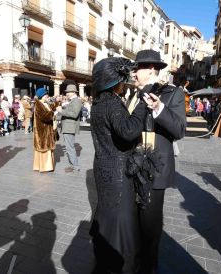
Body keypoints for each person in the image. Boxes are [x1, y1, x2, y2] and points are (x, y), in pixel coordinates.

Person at [130, 49, 186, 274]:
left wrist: (159, 109)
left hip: (155, 169)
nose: (134, 73)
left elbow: (180, 129)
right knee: (133, 220)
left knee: (150, 225)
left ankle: (148, 267)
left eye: (138, 68)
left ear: (151, 69)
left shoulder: (173, 93)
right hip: (131, 166)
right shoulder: (132, 94)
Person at [89, 57, 147, 273]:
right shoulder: (112, 104)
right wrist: (142, 107)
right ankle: (119, 260)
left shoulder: (97, 105)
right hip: (117, 171)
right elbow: (129, 131)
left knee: (107, 211)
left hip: (102, 167)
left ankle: (104, 254)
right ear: (116, 82)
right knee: (121, 214)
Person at [56, 84, 82, 173]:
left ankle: (75, 167)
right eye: (67, 92)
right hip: (67, 127)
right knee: (68, 148)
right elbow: (67, 113)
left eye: (68, 92)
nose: (67, 94)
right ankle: (72, 165)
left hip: (70, 127)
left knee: (70, 148)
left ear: (74, 92)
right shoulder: (72, 101)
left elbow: (74, 114)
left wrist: (61, 111)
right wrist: (55, 117)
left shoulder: (77, 101)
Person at [33, 88, 58, 173]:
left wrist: (56, 105)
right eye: (45, 94)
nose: (47, 95)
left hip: (47, 129)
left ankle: (44, 165)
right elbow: (44, 117)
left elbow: (50, 109)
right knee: (44, 148)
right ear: (42, 96)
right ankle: (45, 167)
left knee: (47, 148)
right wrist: (54, 113)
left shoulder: (44, 103)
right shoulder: (38, 105)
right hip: (42, 131)